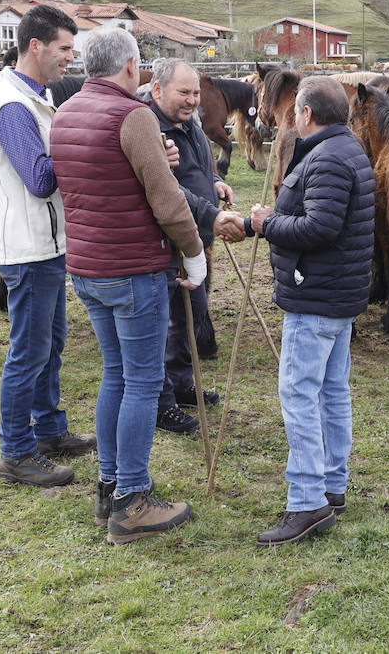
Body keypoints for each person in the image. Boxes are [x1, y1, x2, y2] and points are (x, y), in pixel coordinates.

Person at [50, 27, 208, 544]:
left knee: (115, 375)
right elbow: (166, 201)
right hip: (132, 268)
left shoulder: (67, 110)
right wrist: (194, 251)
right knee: (141, 382)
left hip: (88, 268)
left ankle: (110, 485)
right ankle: (132, 500)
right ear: (131, 66)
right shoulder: (132, 115)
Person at [244, 76, 375, 547]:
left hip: (316, 297)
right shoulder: (345, 149)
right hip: (335, 294)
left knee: (300, 395)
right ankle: (331, 486)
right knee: (330, 392)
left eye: (295, 111)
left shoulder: (327, 158)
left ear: (306, 114)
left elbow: (319, 228)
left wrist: (265, 223)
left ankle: (306, 501)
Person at [0, 4, 96, 489]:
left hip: (46, 243)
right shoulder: (13, 105)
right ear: (36, 46)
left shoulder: (37, 98)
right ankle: (15, 452)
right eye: (64, 48)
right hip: (27, 247)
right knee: (28, 351)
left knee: (50, 344)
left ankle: (49, 430)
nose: (70, 58)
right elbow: (37, 178)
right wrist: (83, 149)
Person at [148, 58, 246, 436]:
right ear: (157, 90)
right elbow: (168, 188)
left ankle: (182, 383)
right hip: (168, 240)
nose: (192, 101)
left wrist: (215, 181)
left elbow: (195, 171)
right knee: (167, 322)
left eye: (196, 93)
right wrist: (209, 215)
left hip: (195, 241)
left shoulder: (187, 124)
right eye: (183, 93)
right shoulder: (150, 128)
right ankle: (163, 404)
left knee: (191, 312)